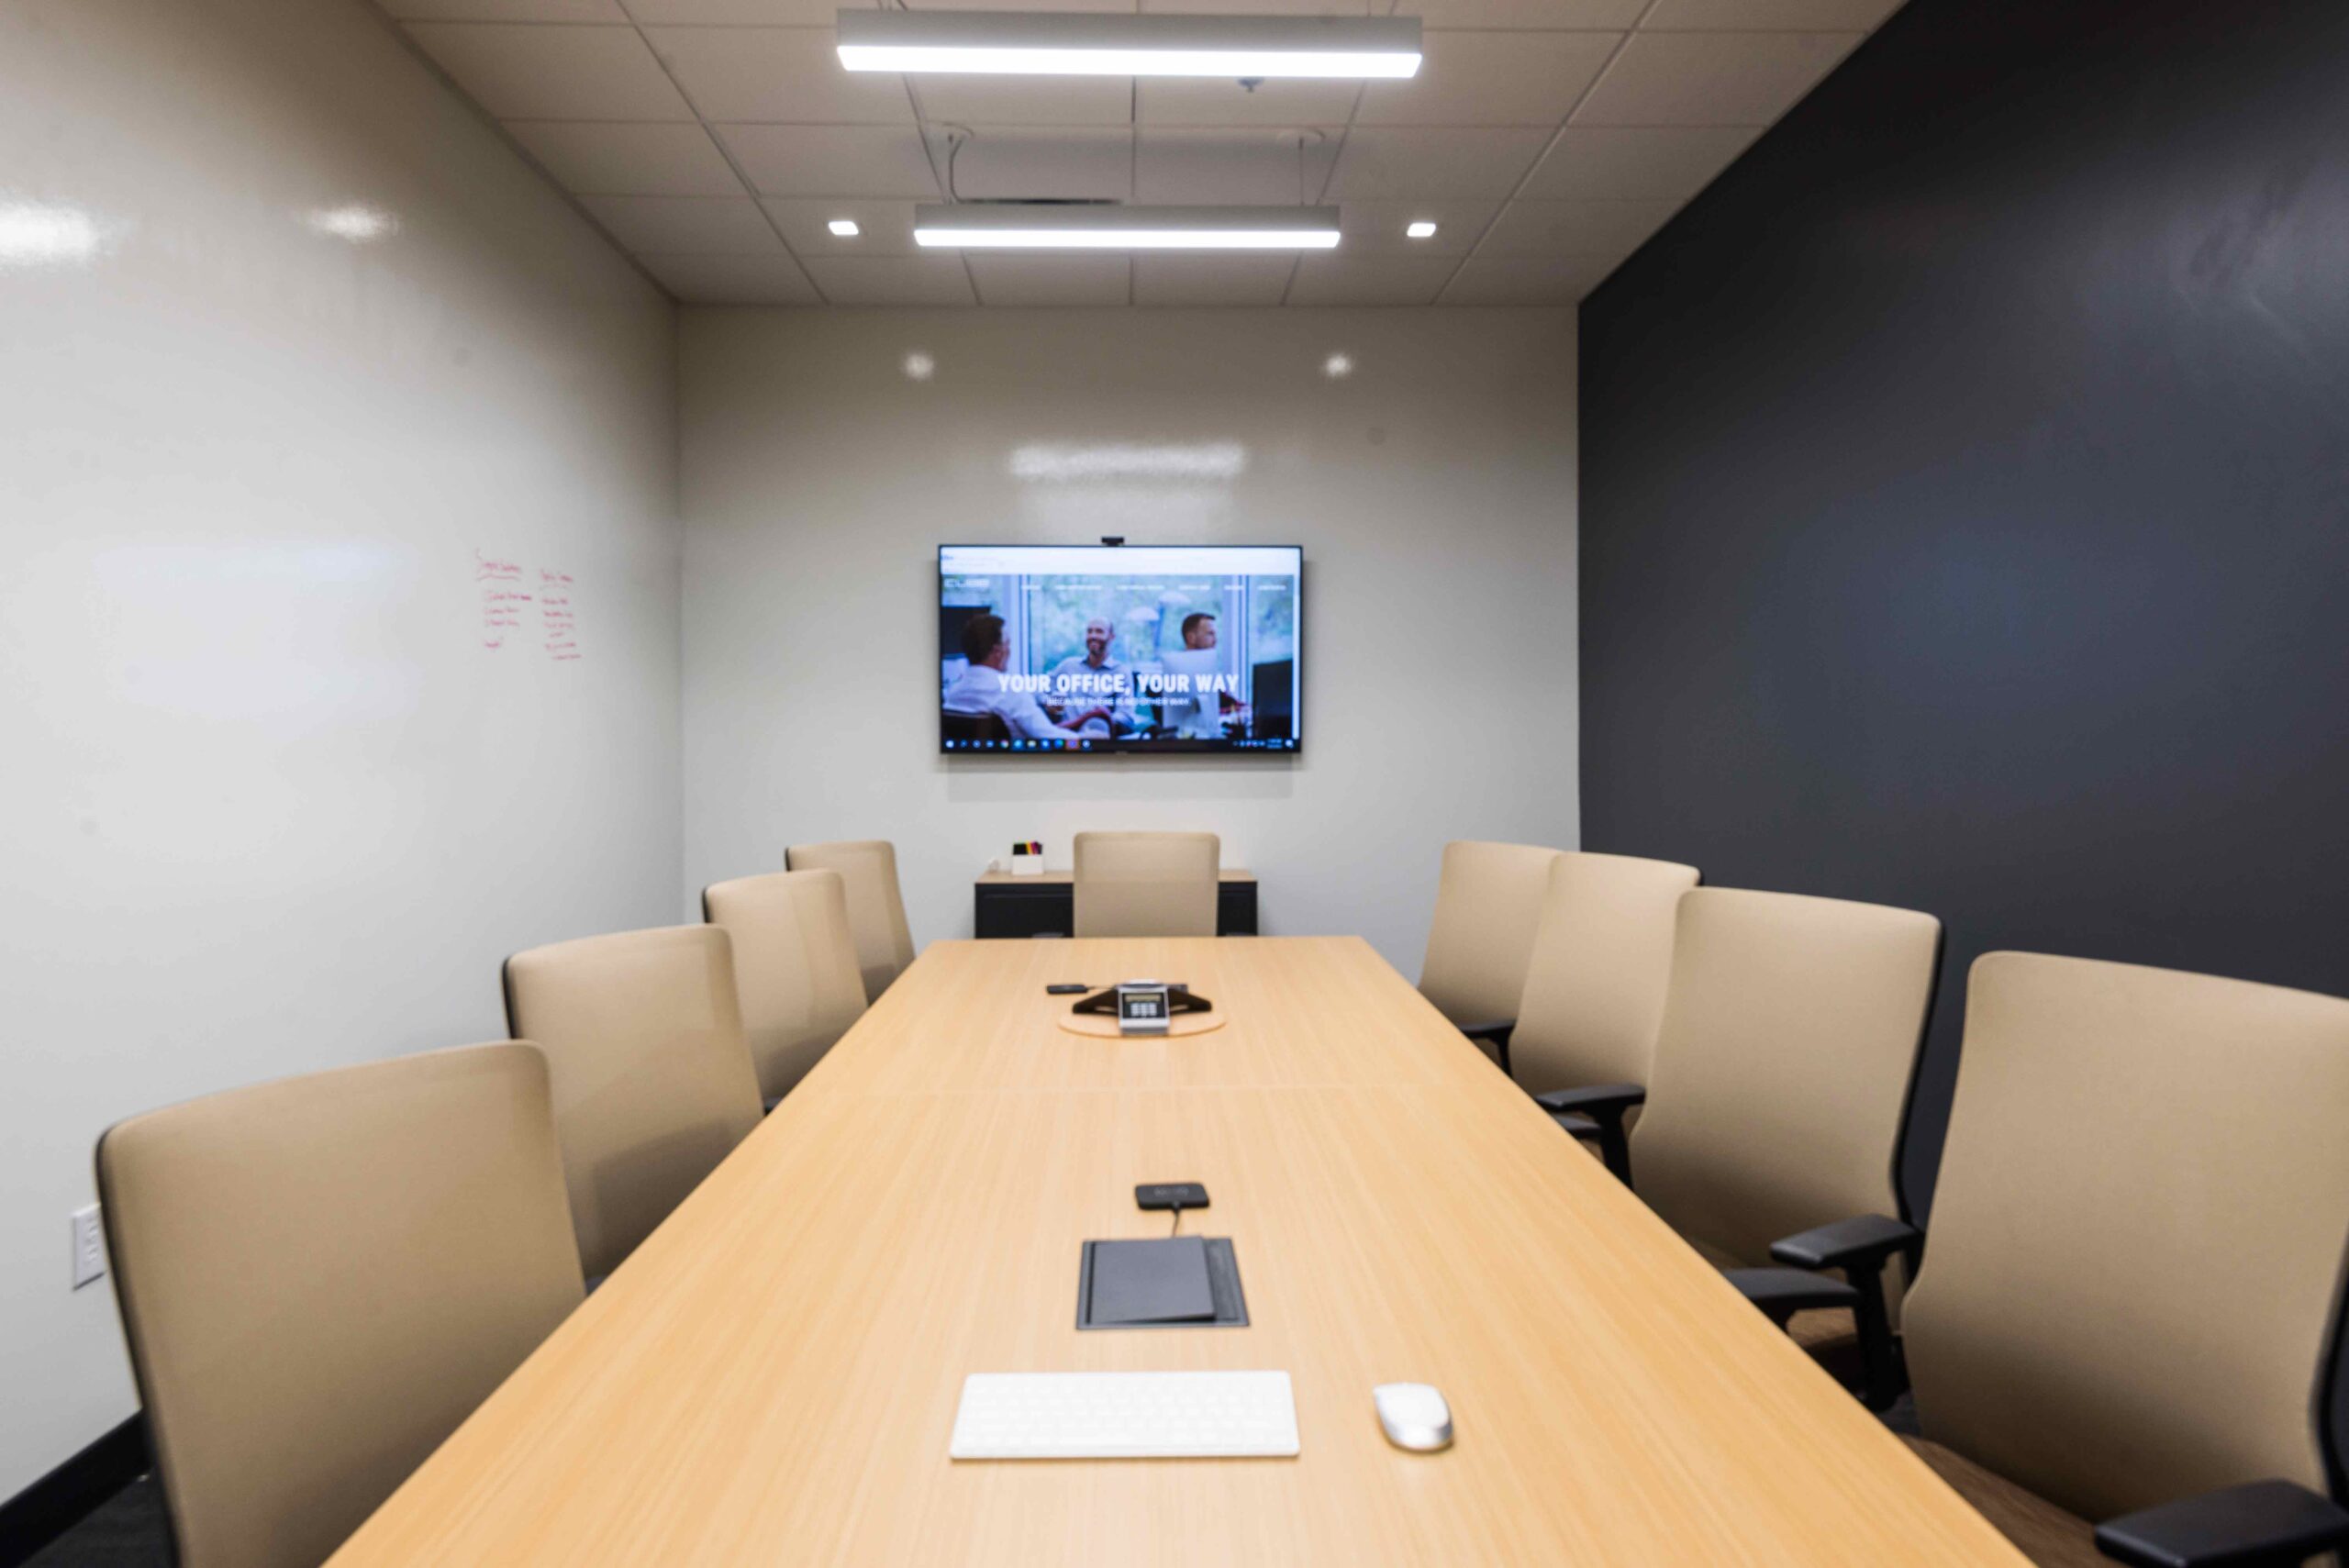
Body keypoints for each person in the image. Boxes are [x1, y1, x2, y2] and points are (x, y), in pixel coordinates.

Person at [942, 613, 1103, 742]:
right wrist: (1086, 739)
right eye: (1008, 644)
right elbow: (1048, 736)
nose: (1009, 650)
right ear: (998, 652)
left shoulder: (952, 692)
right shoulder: (1009, 691)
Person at [1044, 617, 1135, 736]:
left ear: (1111, 637)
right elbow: (1041, 690)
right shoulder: (1068, 666)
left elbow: (1125, 715)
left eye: (1099, 631)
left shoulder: (1121, 672)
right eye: (1089, 631)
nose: (1093, 636)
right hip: (1065, 738)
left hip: (1098, 741)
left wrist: (1105, 719)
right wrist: (1048, 702)